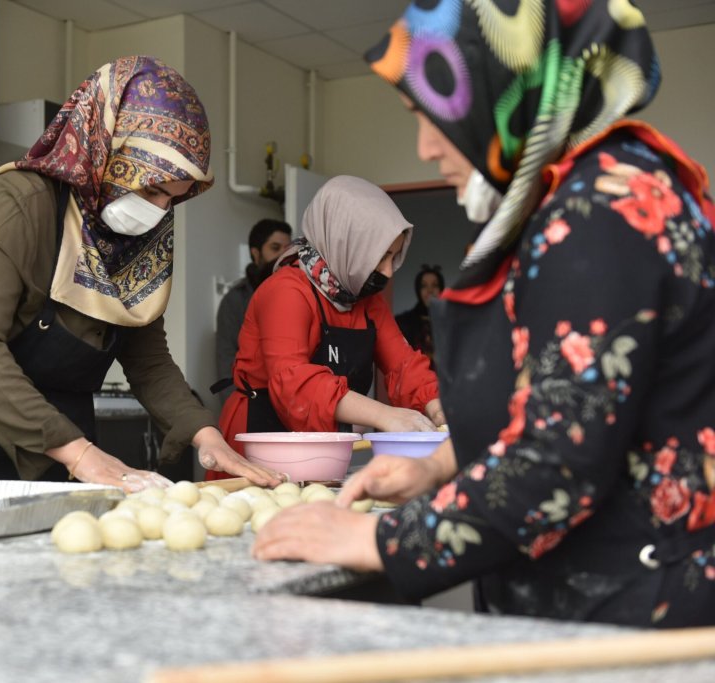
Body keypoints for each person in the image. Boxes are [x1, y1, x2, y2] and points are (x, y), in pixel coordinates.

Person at [253, 1, 715, 628]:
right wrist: (444, 465)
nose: (424, 148)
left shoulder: (596, 217)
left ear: (498, 95)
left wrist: (377, 543)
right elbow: (566, 401)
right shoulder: (593, 192)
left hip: (628, 596)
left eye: (431, 120)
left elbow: (561, 460)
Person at [0, 57, 281, 492]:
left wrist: (207, 435)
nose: (158, 212)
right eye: (151, 190)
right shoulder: (21, 205)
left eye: (173, 199)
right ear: (106, 150)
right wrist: (78, 452)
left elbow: (148, 361)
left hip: (66, 435)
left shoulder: (140, 238)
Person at [211, 176, 445, 479]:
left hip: (321, 448)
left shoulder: (366, 300)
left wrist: (437, 407)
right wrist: (384, 415)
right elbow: (294, 383)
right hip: (261, 440)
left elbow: (404, 364)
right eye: (382, 256)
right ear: (346, 244)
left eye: (394, 256)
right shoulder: (285, 291)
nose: (388, 271)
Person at [214, 218, 292, 401]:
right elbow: (226, 368)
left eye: (288, 249)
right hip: (251, 404)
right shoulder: (235, 301)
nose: (283, 256)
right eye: (275, 248)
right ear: (255, 254)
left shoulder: (297, 294)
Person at [394, 265, 444, 369]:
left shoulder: (452, 321)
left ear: (441, 289)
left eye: (434, 285)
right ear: (418, 290)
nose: (430, 290)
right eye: (424, 286)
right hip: (416, 381)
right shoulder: (404, 322)